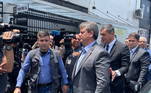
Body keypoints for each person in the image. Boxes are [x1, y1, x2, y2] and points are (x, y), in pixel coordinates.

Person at [72, 22, 111, 93]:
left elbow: (102, 83)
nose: (78, 35)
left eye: (82, 32)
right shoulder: (83, 51)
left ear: (90, 34)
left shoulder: (100, 53)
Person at [100, 24, 130, 93]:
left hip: (114, 86)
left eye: (104, 35)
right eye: (101, 35)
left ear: (112, 34)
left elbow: (126, 67)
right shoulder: (101, 46)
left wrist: (116, 72)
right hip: (101, 85)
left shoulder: (122, 47)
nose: (101, 37)